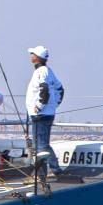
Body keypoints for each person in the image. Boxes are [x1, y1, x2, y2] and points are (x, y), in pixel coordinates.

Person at [26, 45, 65, 177]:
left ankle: (41, 175)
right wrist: (54, 105)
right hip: (46, 113)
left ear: (37, 57)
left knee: (40, 148)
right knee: (43, 145)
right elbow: (60, 89)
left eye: (32, 54)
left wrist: (39, 107)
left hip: (40, 115)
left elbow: (44, 90)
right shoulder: (49, 71)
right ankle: (55, 169)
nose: (31, 56)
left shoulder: (41, 72)